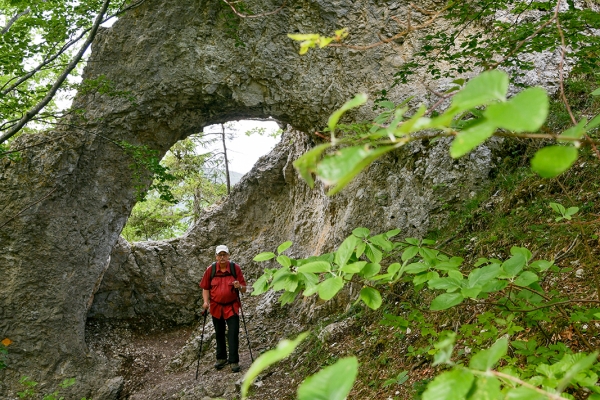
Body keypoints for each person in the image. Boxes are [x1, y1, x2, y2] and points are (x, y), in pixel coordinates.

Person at [199, 245, 247, 373]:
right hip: (216, 307)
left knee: (233, 333)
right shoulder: (211, 270)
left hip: (232, 306)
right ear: (216, 257)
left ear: (228, 255)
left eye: (224, 255)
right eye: (220, 255)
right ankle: (221, 358)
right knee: (219, 333)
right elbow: (205, 288)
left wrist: (239, 286)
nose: (222, 257)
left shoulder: (234, 268)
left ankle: (234, 361)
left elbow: (244, 288)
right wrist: (205, 302)